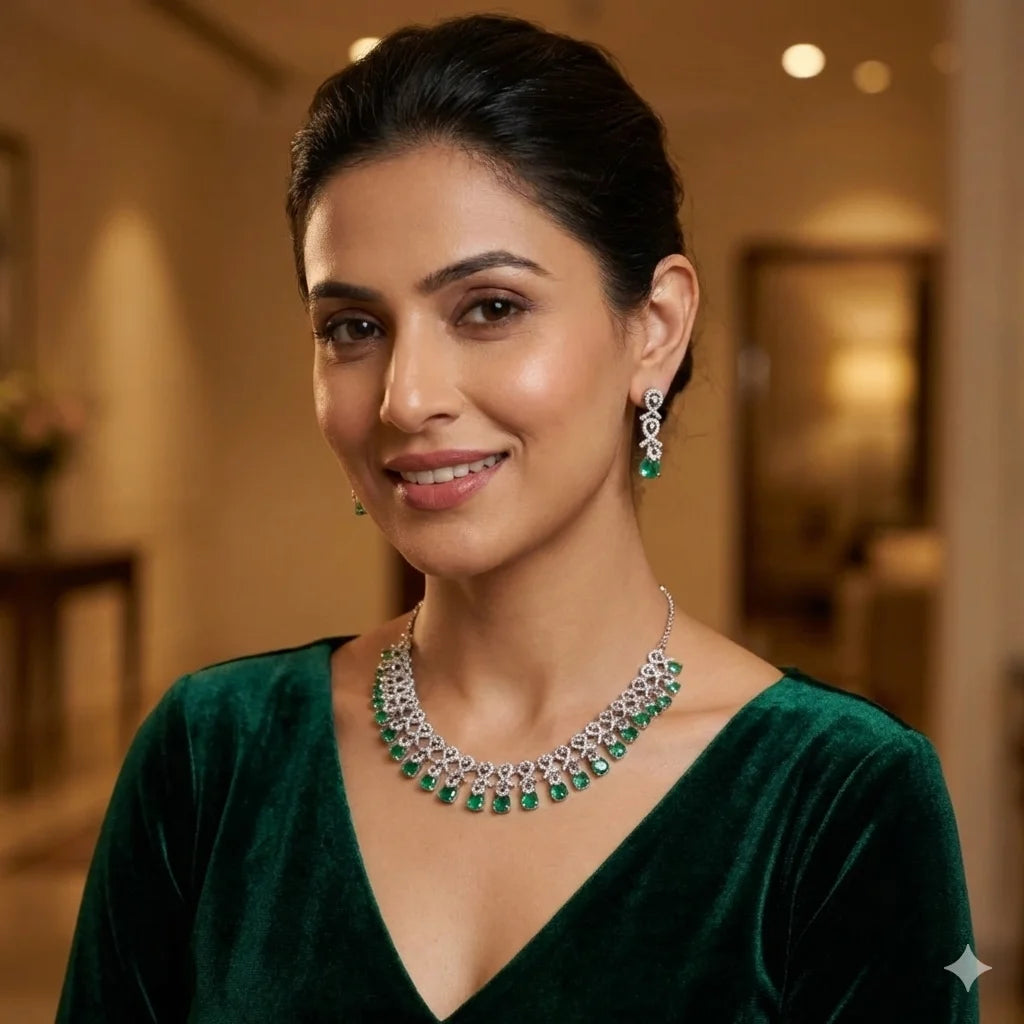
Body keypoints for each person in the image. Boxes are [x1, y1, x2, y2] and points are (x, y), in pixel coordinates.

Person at [57, 13, 979, 1022]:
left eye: (489, 307)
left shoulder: (837, 798)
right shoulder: (213, 756)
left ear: (655, 330)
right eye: (353, 327)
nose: (406, 396)